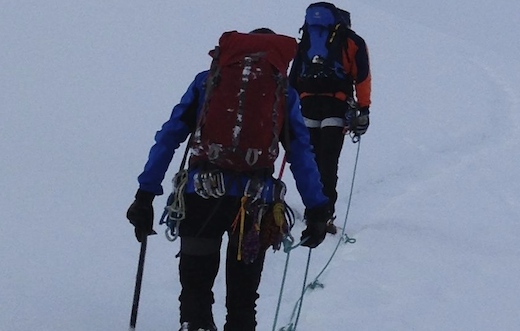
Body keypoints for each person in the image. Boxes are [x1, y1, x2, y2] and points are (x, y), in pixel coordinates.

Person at [126, 28, 334, 331]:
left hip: (199, 197)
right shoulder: (282, 91)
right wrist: (317, 208)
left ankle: (194, 324)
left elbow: (169, 137)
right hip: (255, 206)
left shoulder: (207, 81)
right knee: (243, 302)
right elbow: (301, 153)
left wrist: (145, 195)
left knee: (195, 293)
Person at [289, 2, 371, 249]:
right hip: (336, 104)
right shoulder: (352, 41)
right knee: (328, 160)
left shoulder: (307, 38)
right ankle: (325, 215)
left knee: (309, 159)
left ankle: (312, 209)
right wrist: (364, 109)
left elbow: (294, 77)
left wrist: (287, 108)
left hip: (306, 105)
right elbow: (363, 76)